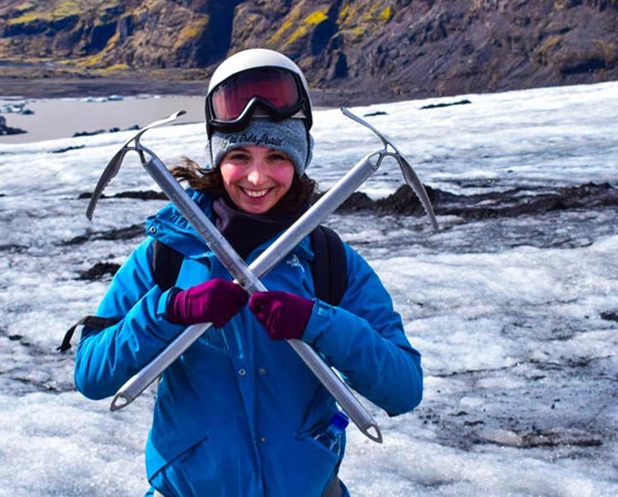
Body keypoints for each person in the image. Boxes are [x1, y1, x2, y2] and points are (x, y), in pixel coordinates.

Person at [74, 48, 423, 497]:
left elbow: (403, 388)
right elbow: (92, 375)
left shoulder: (330, 262)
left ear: (299, 162)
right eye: (240, 155)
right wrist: (169, 311)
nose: (257, 178)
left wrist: (318, 321)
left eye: (276, 157)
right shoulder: (166, 254)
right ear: (217, 159)